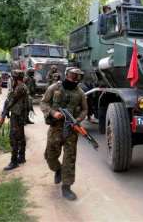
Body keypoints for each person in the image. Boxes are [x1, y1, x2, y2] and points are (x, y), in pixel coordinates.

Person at [40, 67, 88, 201]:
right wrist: (53, 113)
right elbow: (43, 103)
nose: (74, 79)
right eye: (72, 75)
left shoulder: (80, 93)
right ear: (66, 75)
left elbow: (85, 110)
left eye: (77, 76)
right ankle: (58, 169)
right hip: (55, 128)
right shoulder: (54, 88)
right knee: (50, 156)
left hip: (71, 130)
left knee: (70, 158)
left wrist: (77, 120)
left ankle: (66, 186)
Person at [0, 70, 29, 170]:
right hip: (19, 115)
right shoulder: (20, 86)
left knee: (14, 137)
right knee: (20, 136)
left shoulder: (20, 88)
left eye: (13, 78)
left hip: (17, 116)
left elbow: (10, 101)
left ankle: (14, 161)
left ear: (15, 78)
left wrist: (3, 114)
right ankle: (22, 157)